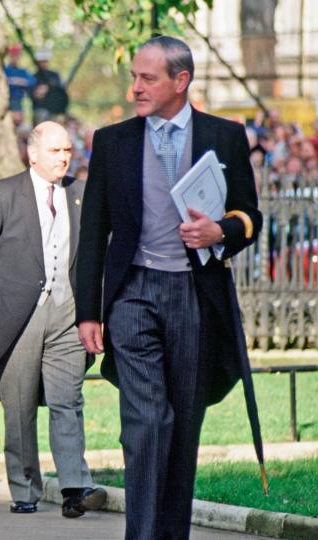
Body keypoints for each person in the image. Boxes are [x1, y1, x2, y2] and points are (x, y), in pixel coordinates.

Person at [75, 36, 262, 540]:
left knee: (183, 425)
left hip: (193, 296)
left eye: (147, 78)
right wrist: (88, 312)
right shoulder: (111, 140)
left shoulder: (225, 135)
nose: (135, 86)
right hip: (132, 291)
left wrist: (219, 231)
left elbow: (251, 215)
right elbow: (93, 229)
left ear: (181, 81)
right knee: (147, 423)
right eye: (134, 76)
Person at [0, 121, 106, 518]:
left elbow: (94, 256)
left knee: (68, 401)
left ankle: (75, 486)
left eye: (68, 152)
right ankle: (25, 488)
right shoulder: (2, 194)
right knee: (19, 406)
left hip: (68, 313)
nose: (63, 159)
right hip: (15, 317)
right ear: (33, 153)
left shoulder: (80, 193)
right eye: (55, 151)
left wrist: (96, 311)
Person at [4, 43, 35, 125]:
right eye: (13, 55)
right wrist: (10, 80)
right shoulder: (5, 70)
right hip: (6, 100)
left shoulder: (22, 71)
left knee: (19, 121)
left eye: (17, 56)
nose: (15, 58)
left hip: (18, 101)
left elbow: (32, 81)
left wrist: (21, 81)